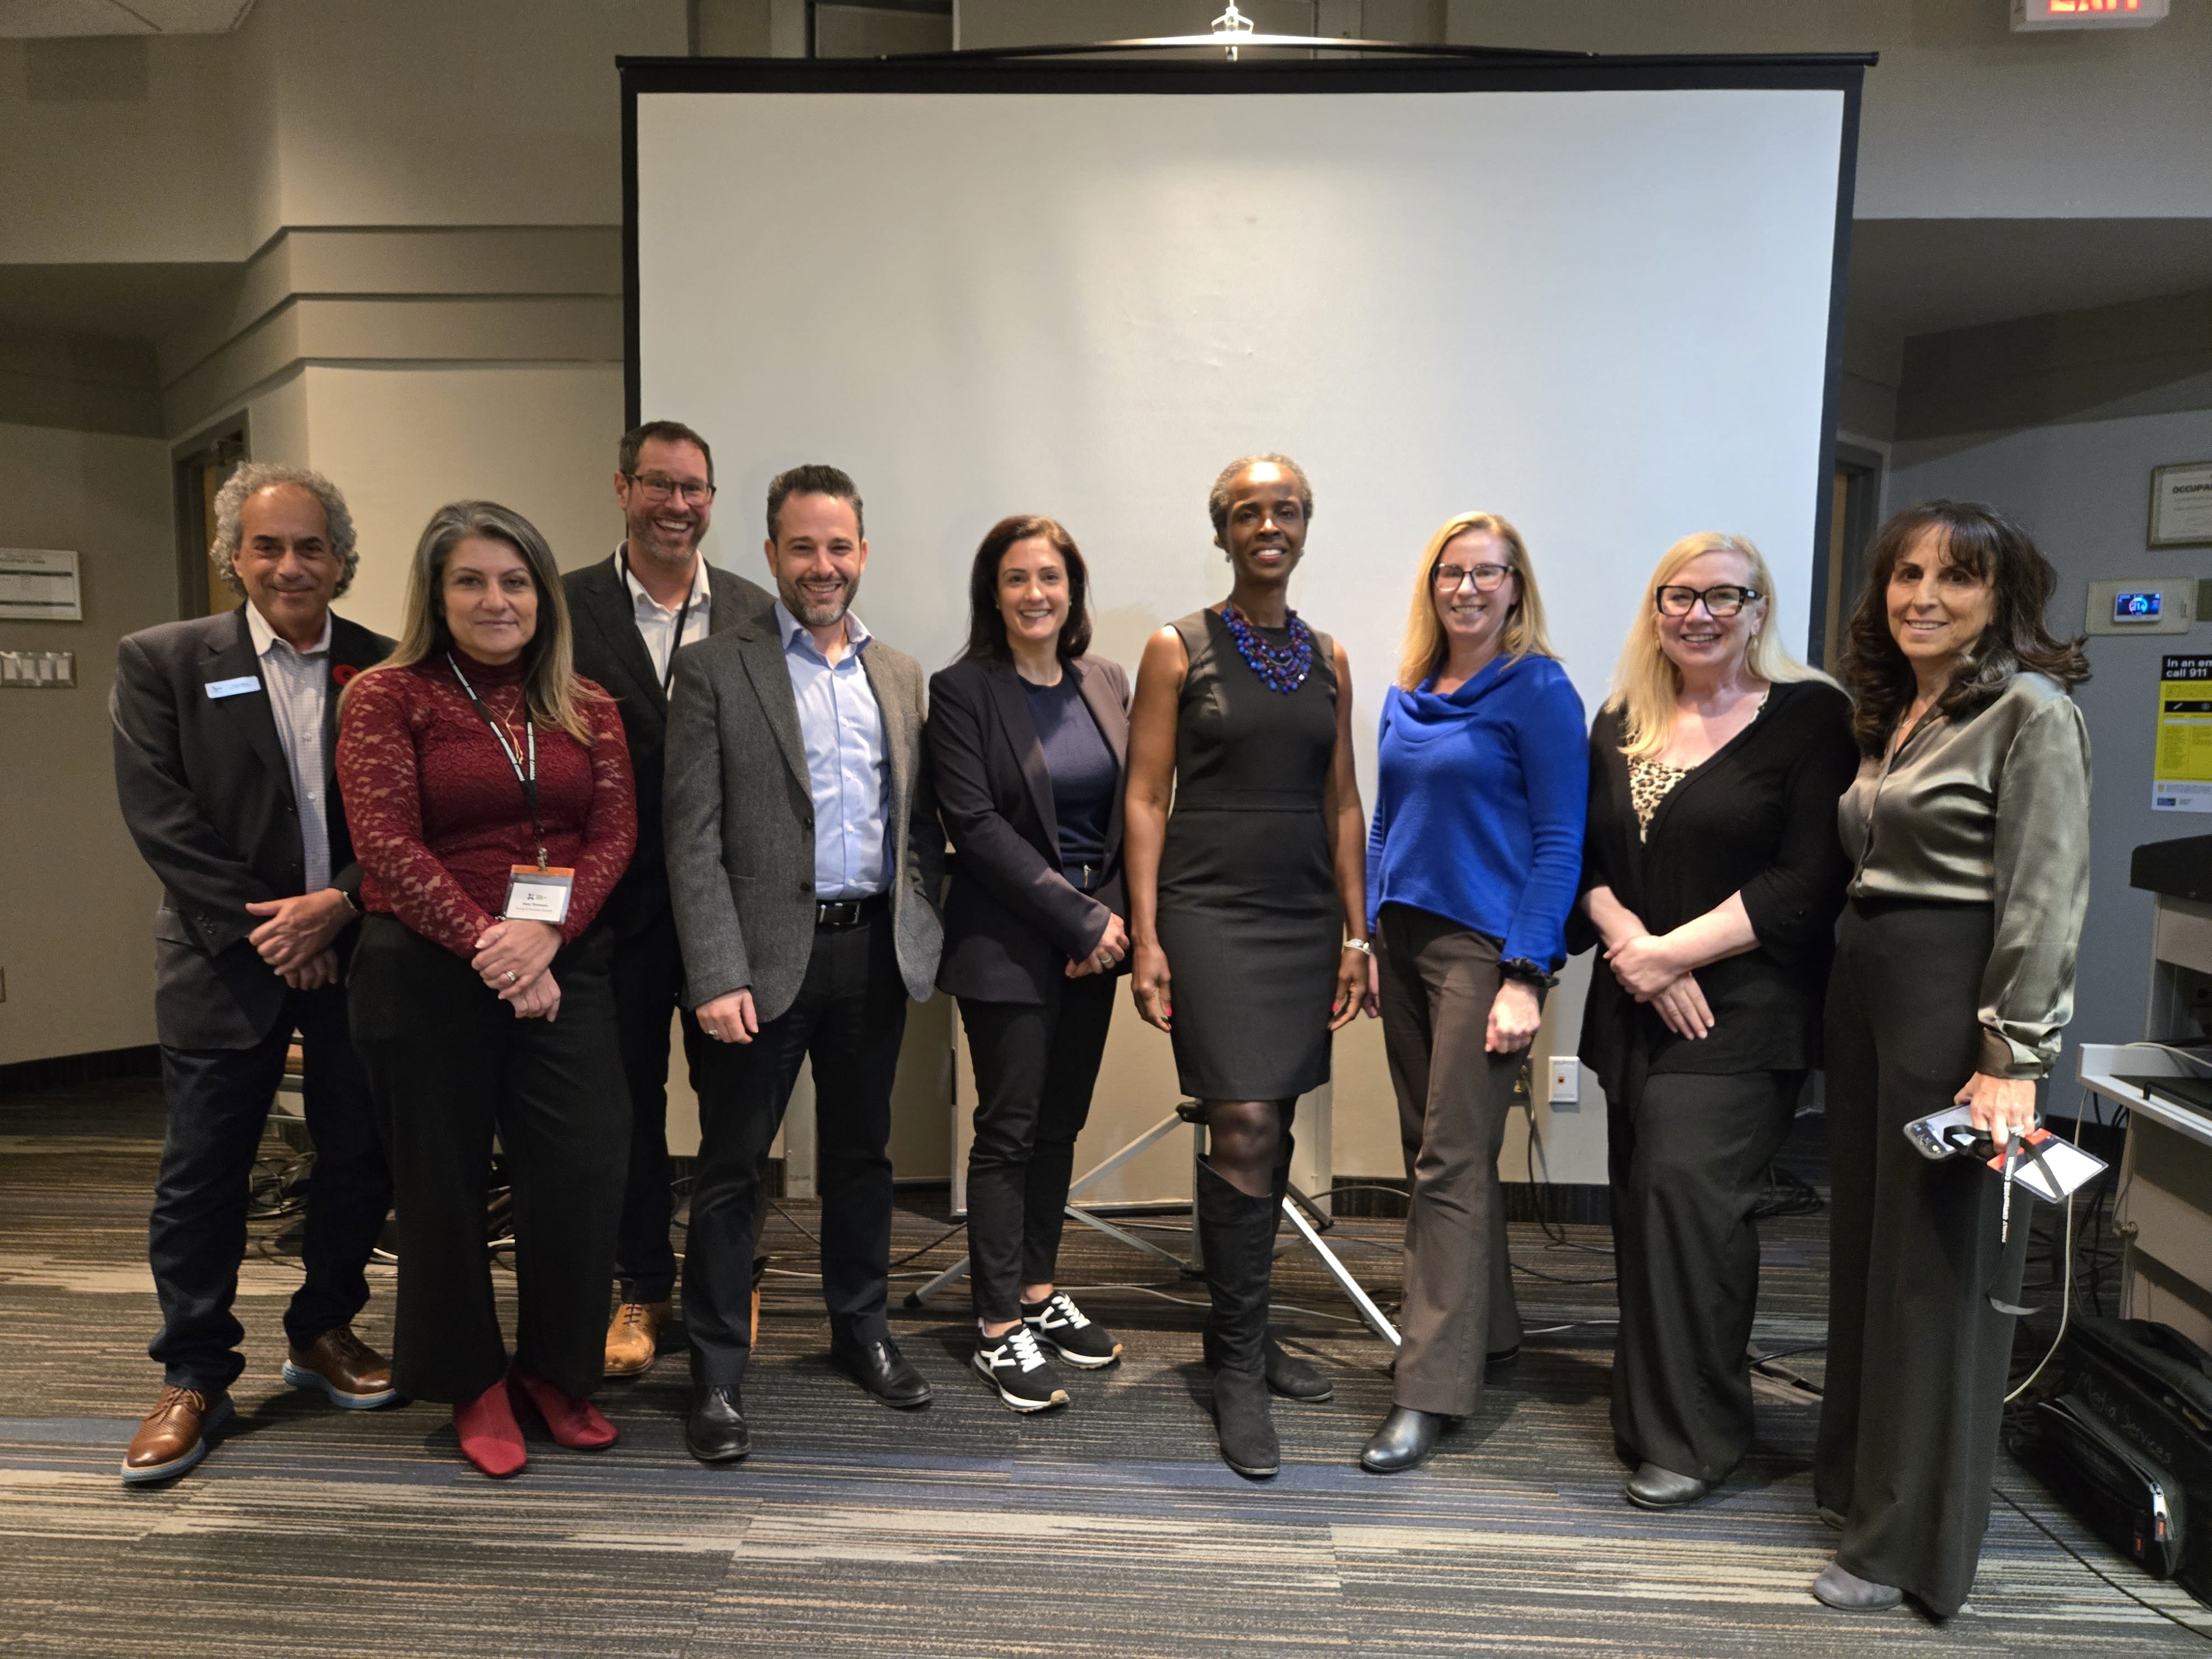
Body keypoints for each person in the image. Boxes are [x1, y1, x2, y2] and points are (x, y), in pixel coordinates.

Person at [1812, 501, 2091, 1616]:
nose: (1923, 596)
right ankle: (1860, 1487)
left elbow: (2043, 892)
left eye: (1956, 578)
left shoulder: (2032, 711)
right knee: (1870, 1257)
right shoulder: (1896, 708)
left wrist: (2012, 1052)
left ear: (2000, 595)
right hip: (1867, 985)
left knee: (1939, 1270)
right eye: (1906, 575)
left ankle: (1907, 1543)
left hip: (1953, 1002)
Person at [109, 463, 397, 1485]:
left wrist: (343, 904)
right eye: (269, 547)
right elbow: (163, 821)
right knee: (203, 1176)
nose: (291, 565)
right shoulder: (164, 661)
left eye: (311, 546)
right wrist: (275, 930)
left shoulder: (389, 664)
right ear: (235, 556)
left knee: (361, 1160)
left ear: (342, 560)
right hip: (226, 964)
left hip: (361, 953)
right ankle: (194, 1370)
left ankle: (324, 1330)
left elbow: (414, 816)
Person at [338, 501, 637, 1480]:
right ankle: (470, 1380)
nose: (495, 600)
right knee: (443, 1186)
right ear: (437, 594)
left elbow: (613, 836)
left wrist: (544, 939)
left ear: (543, 594)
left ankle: (556, 1371)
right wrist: (491, 948)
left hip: (560, 963)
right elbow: (384, 843)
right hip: (426, 969)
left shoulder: (586, 702)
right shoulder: (388, 696)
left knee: (584, 1174)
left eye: (514, 581)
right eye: (470, 580)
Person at [664, 463, 945, 1464]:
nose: (822, 567)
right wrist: (715, 972)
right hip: (760, 965)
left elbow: (915, 829)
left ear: (862, 553)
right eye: (801, 547)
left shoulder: (901, 675)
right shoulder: (715, 670)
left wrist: (918, 921)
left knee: (864, 1157)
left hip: (873, 953)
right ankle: (717, 1372)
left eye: (839, 548)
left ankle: (861, 1329)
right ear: (773, 553)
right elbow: (690, 840)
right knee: (733, 1169)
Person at [1574, 533, 1856, 1509]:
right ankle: (1650, 1414)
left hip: (1749, 1009)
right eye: (1679, 595)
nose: (1699, 614)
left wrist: (1675, 953)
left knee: (1692, 1202)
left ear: (1759, 609)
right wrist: (1637, 956)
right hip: (1638, 1005)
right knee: (1648, 1211)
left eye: (1723, 597)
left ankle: (1698, 1439)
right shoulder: (1619, 719)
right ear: (1655, 609)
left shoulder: (1812, 717)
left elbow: (1807, 879)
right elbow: (1581, 863)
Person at [1124, 453, 1373, 1480]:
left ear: (1306, 526)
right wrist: (1145, 935)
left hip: (1301, 910)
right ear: (1221, 530)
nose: (1267, 524)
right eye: (1246, 512)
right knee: (1245, 1118)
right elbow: (1143, 797)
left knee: (1270, 1118)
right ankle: (1231, 1361)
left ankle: (1251, 1332)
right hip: (1210, 909)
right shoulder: (1176, 648)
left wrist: (1357, 934)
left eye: (1286, 510)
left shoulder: (1329, 656)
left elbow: (1343, 802)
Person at [1358, 512, 1585, 1475]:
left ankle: (1428, 1391)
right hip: (1402, 939)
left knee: (1445, 1164)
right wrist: (1366, 932)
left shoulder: (1540, 692)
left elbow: (1559, 842)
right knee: (1438, 1152)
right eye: (1452, 573)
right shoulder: (1409, 692)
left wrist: (1527, 974)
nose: (1467, 589)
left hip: (1480, 953)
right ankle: (1489, 1337)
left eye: (1487, 574)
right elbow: (1382, 821)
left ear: (1515, 588)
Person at [564, 420, 774, 1378]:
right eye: (659, 485)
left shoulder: (751, 609)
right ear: (621, 488)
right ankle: (641, 1285)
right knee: (630, 1111)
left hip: (728, 913)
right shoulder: (564, 608)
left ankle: (728, 1282)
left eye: (695, 488)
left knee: (736, 1113)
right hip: (613, 915)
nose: (678, 505)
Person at [926, 516, 1131, 1412]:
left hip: (1099, 937)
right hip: (1009, 934)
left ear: (1072, 589)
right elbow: (972, 826)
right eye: (1017, 579)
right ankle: (997, 1325)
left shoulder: (1107, 682)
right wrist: (1077, 920)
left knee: (1060, 1124)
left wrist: (1111, 918)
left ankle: (1039, 1294)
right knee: (1009, 1127)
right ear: (994, 593)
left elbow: (1138, 808)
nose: (1035, 594)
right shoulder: (963, 689)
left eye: (1050, 577)